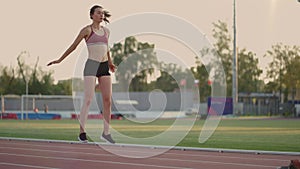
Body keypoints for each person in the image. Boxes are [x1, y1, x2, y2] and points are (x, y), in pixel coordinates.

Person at [47, 5, 116, 144]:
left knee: (108, 101)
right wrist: (60, 60)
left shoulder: (107, 31)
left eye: (103, 13)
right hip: (91, 65)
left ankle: (106, 133)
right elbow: (73, 46)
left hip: (103, 67)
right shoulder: (87, 30)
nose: (101, 15)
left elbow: (106, 48)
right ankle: (82, 133)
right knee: (88, 99)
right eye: (98, 13)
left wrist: (110, 62)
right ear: (92, 15)